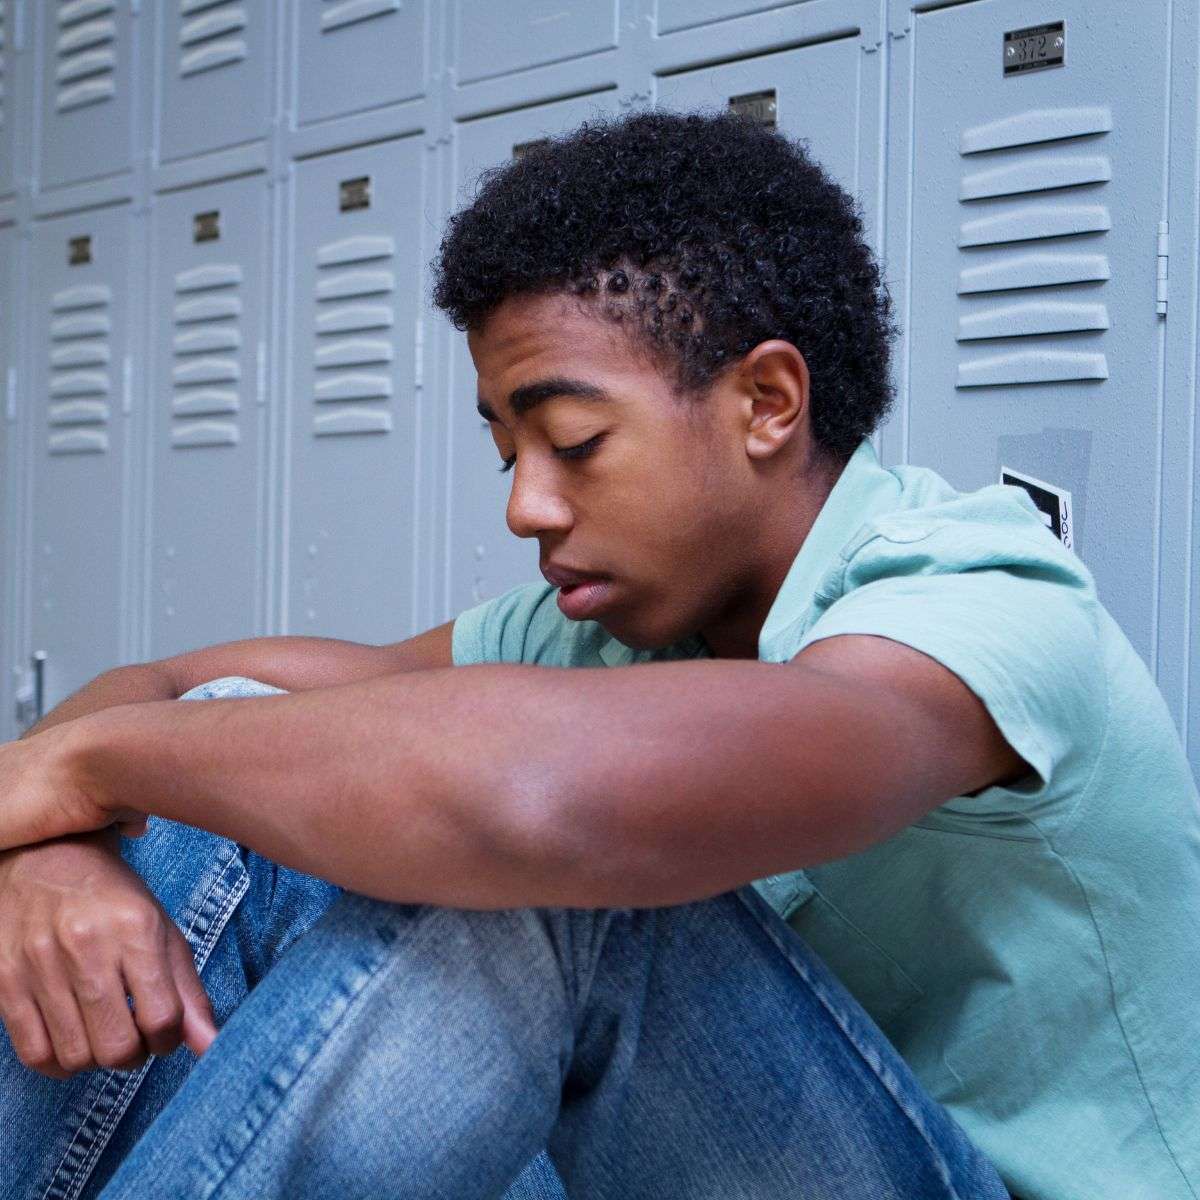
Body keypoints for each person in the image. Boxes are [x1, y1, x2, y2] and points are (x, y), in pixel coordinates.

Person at [0, 110, 1195, 1200]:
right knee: (233, 776)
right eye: (507, 450)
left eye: (573, 441)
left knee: (557, 874)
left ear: (768, 401)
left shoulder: (970, 593)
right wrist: (65, 850)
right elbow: (177, 692)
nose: (525, 507)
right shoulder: (607, 631)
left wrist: (99, 769)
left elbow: (549, 798)